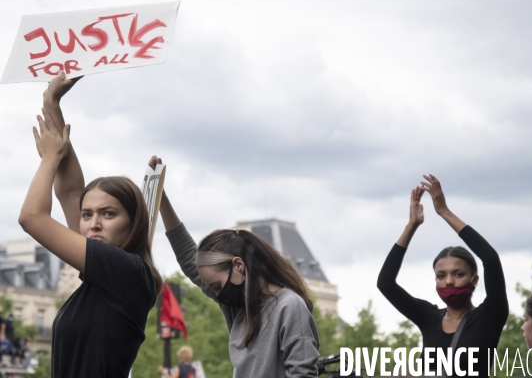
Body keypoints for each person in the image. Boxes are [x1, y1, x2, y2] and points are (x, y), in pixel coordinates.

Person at [18, 72, 162, 377]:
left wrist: (49, 159)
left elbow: (32, 218)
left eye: (109, 214)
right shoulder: (107, 276)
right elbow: (71, 191)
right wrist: (52, 102)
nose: (93, 224)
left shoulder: (128, 271)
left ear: (134, 222)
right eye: (87, 215)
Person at [149, 156, 320, 378]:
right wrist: (161, 196)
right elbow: (188, 257)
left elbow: (303, 374)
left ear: (238, 265)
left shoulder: (290, 307)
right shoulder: (239, 308)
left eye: (217, 286)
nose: (217, 295)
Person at [377, 175, 509, 377]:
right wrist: (411, 225)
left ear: (474, 280)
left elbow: (490, 259)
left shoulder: (489, 315)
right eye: (441, 275)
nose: (448, 281)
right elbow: (385, 284)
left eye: (458, 274)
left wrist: (444, 212)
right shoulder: (428, 316)